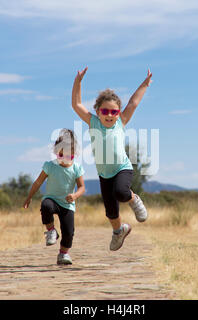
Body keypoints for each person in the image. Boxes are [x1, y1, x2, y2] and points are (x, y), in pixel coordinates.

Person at [71, 66, 151, 251]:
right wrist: (78, 82)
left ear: (118, 113)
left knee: (121, 192)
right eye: (105, 111)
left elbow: (133, 103)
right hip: (104, 174)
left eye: (113, 112)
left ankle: (134, 199)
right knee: (111, 212)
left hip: (122, 168)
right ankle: (119, 231)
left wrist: (145, 84)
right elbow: (76, 104)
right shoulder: (93, 122)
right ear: (97, 111)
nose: (109, 115)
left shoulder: (121, 122)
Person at [23, 129, 85, 265]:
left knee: (69, 232)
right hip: (52, 199)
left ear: (74, 154)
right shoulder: (50, 166)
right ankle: (51, 231)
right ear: (56, 152)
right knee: (46, 206)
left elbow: (82, 187)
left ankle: (63, 254)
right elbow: (38, 182)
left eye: (69, 156)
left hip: (67, 204)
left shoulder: (77, 168)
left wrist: (75, 195)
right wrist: (29, 197)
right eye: (60, 155)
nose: (64, 159)